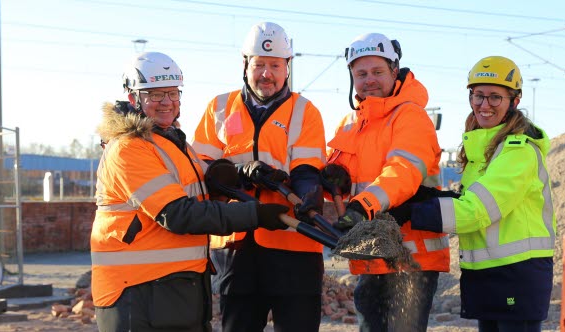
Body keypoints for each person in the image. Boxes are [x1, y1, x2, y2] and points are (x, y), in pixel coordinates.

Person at [91, 51, 290, 332]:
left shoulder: (174, 144)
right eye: (156, 95)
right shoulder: (129, 148)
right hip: (136, 293)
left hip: (174, 290)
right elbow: (179, 214)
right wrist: (255, 214)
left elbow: (201, 195)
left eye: (173, 93)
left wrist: (242, 175)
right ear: (134, 97)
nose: (167, 103)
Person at [399, 56, 557, 332]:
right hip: (492, 274)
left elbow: (477, 211)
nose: (484, 105)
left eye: (495, 97)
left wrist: (411, 213)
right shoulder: (484, 148)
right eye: (478, 96)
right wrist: (422, 198)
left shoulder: (518, 152)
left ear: (514, 101)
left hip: (518, 275)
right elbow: (469, 200)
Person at [192, 22, 327, 332]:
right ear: (245, 65)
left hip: (296, 249)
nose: (267, 73)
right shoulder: (219, 108)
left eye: (275, 65)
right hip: (237, 249)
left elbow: (307, 169)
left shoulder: (306, 112)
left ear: (287, 67)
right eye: (260, 64)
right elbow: (201, 172)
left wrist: (307, 193)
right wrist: (239, 174)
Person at [327, 32, 450, 331]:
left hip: (410, 259)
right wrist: (329, 177)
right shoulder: (350, 123)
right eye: (361, 73)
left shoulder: (410, 116)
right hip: (371, 253)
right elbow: (341, 181)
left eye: (378, 72)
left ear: (395, 70)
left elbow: (403, 171)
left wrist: (363, 205)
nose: (369, 80)